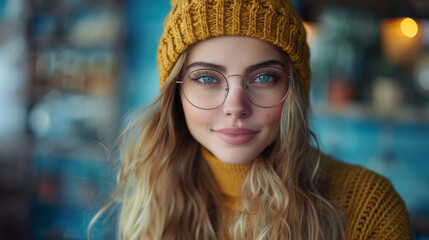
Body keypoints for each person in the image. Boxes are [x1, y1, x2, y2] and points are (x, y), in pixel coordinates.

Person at [89, 0, 412, 239]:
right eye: (206, 78)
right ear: (175, 92)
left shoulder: (368, 207)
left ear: (294, 89)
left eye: (264, 78)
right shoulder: (152, 202)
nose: (235, 107)